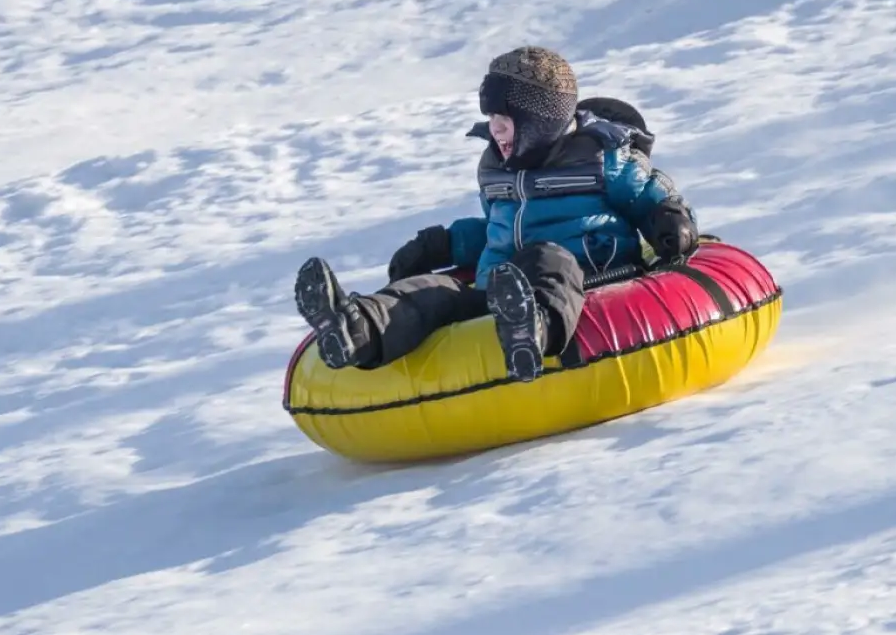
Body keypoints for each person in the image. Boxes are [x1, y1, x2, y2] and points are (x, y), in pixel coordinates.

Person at [293, 45, 699, 382]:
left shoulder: (604, 158)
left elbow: (650, 196)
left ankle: (535, 328)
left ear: (539, 124)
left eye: (503, 123)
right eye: (492, 121)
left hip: (582, 278)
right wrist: (442, 244)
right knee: (432, 292)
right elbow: (496, 230)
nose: (494, 133)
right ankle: (359, 327)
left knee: (547, 256)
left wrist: (670, 220)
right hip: (500, 287)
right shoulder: (495, 168)